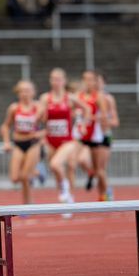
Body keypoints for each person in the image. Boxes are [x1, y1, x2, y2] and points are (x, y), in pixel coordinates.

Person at [39, 69, 89, 211]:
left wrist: (84, 124)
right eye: (53, 79)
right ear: (50, 81)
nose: (56, 82)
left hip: (67, 140)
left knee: (59, 165)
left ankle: (68, 193)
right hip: (50, 140)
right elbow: (39, 118)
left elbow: (87, 109)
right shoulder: (45, 98)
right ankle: (67, 199)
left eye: (59, 79)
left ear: (64, 80)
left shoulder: (70, 98)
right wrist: (39, 126)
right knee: (57, 171)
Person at [0, 80, 42, 204]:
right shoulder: (14, 108)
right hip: (18, 143)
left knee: (24, 177)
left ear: (33, 92)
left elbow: (49, 126)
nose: (25, 94)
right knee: (14, 178)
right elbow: (5, 126)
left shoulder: (38, 107)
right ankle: (36, 172)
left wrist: (41, 133)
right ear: (18, 93)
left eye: (27, 90)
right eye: (22, 91)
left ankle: (27, 204)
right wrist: (6, 142)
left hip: (33, 144)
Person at [78, 70, 110, 201]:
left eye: (91, 79)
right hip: (82, 136)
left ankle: (105, 194)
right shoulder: (79, 95)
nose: (88, 82)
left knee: (100, 170)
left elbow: (104, 115)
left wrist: (89, 117)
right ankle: (90, 173)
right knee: (81, 159)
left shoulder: (99, 96)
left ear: (95, 82)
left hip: (96, 137)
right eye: (85, 79)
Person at [97, 71, 119, 200]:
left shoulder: (108, 99)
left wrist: (103, 120)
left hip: (106, 136)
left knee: (101, 169)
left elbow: (115, 121)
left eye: (99, 81)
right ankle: (103, 193)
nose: (97, 84)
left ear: (104, 83)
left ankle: (105, 194)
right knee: (96, 169)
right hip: (92, 138)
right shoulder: (90, 98)